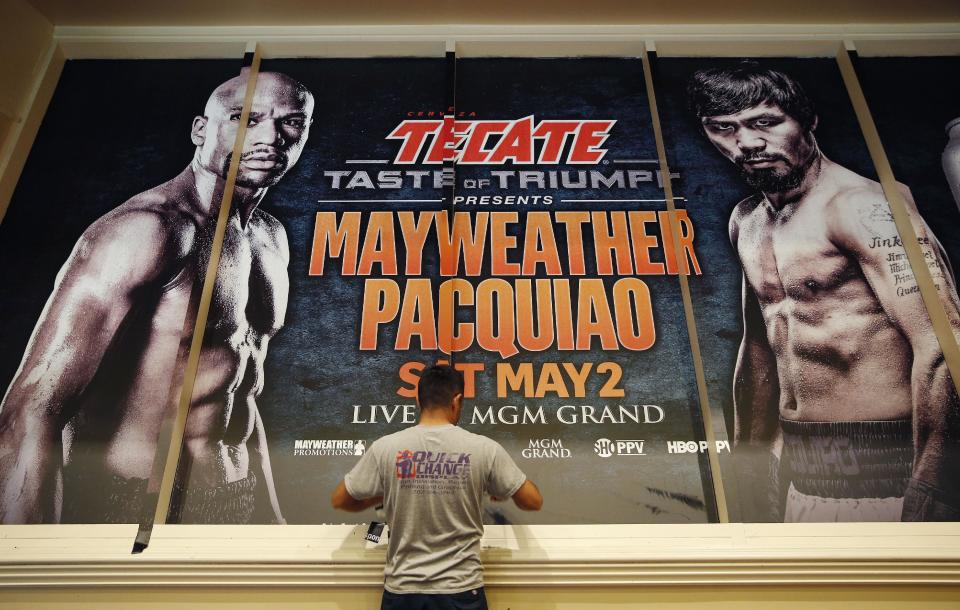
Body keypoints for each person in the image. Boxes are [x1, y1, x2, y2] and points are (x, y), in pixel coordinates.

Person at [0, 70, 314, 524]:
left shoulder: (270, 239)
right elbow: (31, 407)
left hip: (231, 496)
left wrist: (271, 519)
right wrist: (31, 563)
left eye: (290, 123)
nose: (270, 137)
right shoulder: (148, 230)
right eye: (244, 118)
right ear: (200, 129)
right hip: (129, 501)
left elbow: (242, 385)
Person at [688, 62, 960, 522]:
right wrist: (748, 463)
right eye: (724, 128)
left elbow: (943, 341)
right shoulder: (748, 220)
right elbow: (759, 347)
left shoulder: (863, 207)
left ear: (807, 120)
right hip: (804, 469)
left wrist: (937, 480)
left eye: (765, 122)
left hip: (889, 464)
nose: (748, 143)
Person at [332, 364, 543, 609]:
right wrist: (500, 488)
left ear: (417, 400)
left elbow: (341, 499)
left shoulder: (385, 447)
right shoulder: (485, 449)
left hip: (403, 590)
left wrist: (390, 491)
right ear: (457, 400)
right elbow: (532, 500)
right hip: (462, 590)